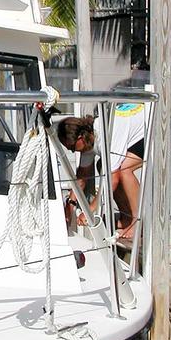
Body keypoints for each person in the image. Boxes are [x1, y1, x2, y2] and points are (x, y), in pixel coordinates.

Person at [56, 106, 146, 249]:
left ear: (80, 138)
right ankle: (127, 217)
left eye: (72, 147)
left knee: (124, 170)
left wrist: (92, 209)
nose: (73, 151)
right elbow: (82, 176)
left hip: (160, 129)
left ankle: (137, 223)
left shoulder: (107, 133)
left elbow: (113, 179)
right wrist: (70, 205)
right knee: (101, 166)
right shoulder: (89, 138)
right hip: (138, 130)